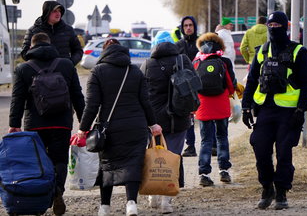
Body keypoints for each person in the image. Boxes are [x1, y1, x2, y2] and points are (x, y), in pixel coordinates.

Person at [77, 38, 162, 216]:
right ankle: (131, 204)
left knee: (107, 166)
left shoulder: (97, 72)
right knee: (133, 164)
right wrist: (153, 124)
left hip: (110, 128)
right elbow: (146, 102)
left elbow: (92, 105)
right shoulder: (134, 71)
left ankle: (105, 207)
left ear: (105, 52)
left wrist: (82, 129)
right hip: (136, 126)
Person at [241, 11, 307, 210]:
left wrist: (301, 110)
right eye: (270, 25)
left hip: (289, 112)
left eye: (277, 25)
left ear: (285, 27)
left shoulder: (298, 51)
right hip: (265, 110)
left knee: (283, 152)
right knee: (260, 147)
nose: (273, 29)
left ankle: (281, 192)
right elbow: (252, 81)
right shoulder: (262, 51)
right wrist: (246, 107)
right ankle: (267, 187)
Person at [9, 32, 85, 216]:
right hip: (62, 123)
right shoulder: (66, 65)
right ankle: (57, 190)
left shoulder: (24, 69)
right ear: (50, 45)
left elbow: (17, 98)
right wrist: (84, 122)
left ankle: (40, 199)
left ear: (32, 47)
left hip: (35, 124)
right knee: (60, 159)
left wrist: (14, 123)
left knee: (38, 162)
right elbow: (77, 94)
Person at [141, 31, 197, 214]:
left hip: (155, 121)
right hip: (179, 118)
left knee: (154, 156)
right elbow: (195, 85)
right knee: (173, 157)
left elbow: (141, 93)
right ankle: (167, 200)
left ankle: (153, 195)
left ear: (155, 45)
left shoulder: (148, 64)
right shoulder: (183, 60)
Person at [193, 32, 236, 187]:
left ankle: (204, 173)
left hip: (203, 106)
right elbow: (231, 84)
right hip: (221, 104)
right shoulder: (224, 61)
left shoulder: (197, 61)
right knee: (222, 137)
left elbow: (193, 85)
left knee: (206, 140)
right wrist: (230, 95)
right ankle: (224, 171)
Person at [21, 0, 83, 65]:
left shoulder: (68, 30)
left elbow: (78, 50)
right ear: (46, 12)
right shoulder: (33, 30)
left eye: (59, 11)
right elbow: (24, 53)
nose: (58, 14)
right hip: (40, 72)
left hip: (63, 72)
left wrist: (70, 63)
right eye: (54, 11)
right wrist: (37, 61)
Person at [177, 16, 200, 157]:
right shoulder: (178, 45)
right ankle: (190, 145)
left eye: (190, 25)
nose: (188, 28)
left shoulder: (201, 43)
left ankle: (212, 145)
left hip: (202, 84)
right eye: (185, 25)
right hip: (185, 85)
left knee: (206, 116)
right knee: (189, 116)